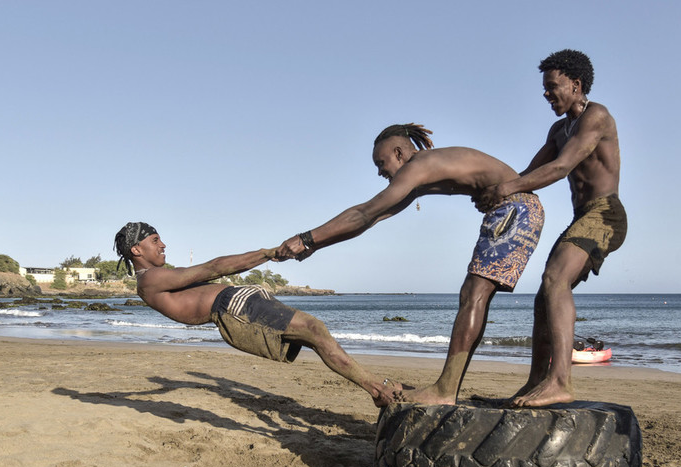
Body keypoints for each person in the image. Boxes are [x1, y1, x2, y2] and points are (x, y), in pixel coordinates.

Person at [276, 124, 544, 404]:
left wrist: (306, 237)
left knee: (474, 294)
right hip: (515, 209)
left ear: (399, 152)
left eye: (381, 163)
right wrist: (314, 245)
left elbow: (364, 211)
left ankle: (445, 390)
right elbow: (368, 221)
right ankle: (447, 389)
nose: (380, 172)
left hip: (516, 208)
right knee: (474, 294)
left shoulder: (418, 165)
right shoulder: (420, 177)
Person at [477, 49, 627, 407]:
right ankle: (534, 384)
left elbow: (560, 168)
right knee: (545, 297)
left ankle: (561, 381)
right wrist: (486, 188)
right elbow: (525, 177)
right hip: (582, 219)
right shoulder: (559, 129)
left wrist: (505, 189)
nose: (546, 95)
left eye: (552, 87)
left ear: (576, 85)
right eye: (544, 89)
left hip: (606, 215)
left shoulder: (597, 116)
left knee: (553, 280)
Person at [113, 222, 401, 407]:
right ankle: (378, 389)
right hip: (234, 309)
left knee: (315, 334)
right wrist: (267, 253)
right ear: (137, 249)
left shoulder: (160, 276)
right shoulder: (150, 280)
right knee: (314, 329)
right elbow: (213, 268)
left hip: (238, 304)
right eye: (155, 240)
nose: (163, 245)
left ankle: (377, 388)